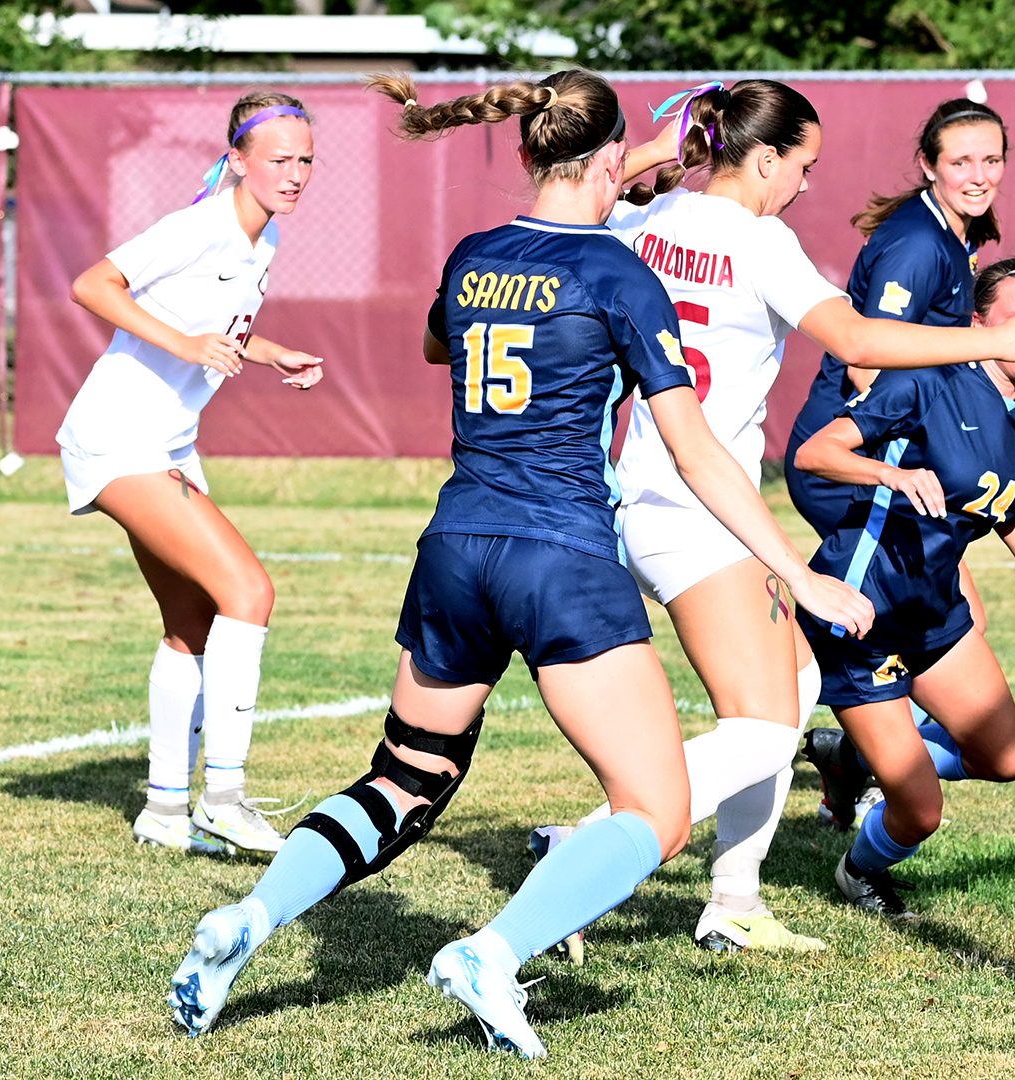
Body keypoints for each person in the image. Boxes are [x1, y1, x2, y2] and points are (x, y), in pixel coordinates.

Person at [165, 70, 872, 1057]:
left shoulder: (474, 254)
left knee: (404, 780)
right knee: (655, 807)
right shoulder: (622, 274)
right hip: (560, 555)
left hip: (455, 547)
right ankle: (492, 954)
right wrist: (798, 577)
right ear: (613, 158)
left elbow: (433, 342)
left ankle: (248, 917)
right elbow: (696, 450)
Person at [529, 80, 1015, 955]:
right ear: (764, 158)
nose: (808, 185)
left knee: (798, 690)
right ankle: (580, 848)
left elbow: (608, 201)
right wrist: (990, 342)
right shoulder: (759, 239)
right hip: (694, 508)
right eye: (802, 166)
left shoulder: (650, 225)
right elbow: (857, 342)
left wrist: (664, 153)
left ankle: (734, 896)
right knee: (765, 727)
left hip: (661, 495)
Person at [790, 257, 1015, 918]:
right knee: (921, 812)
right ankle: (859, 871)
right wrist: (891, 476)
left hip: (934, 612)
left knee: (1006, 757)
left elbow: (1006, 511)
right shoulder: (927, 382)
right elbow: (815, 453)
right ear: (980, 323)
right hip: (861, 613)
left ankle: (853, 761)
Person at [58, 92, 326, 856]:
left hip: (166, 443)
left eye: (306, 159)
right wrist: (183, 344)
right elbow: (93, 285)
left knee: (194, 625)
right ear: (237, 160)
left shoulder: (259, 239)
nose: (296, 172)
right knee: (250, 591)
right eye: (279, 158)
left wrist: (267, 352)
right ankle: (226, 799)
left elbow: (219, 323)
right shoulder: (200, 224)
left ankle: (166, 813)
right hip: (123, 439)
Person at [782, 97, 1013, 828]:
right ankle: (864, 751)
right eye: (961, 161)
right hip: (844, 464)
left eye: (991, 160)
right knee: (919, 620)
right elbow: (865, 365)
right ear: (928, 165)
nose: (978, 175)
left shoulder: (954, 234)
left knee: (960, 617)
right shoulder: (917, 243)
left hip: (891, 463)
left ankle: (855, 759)